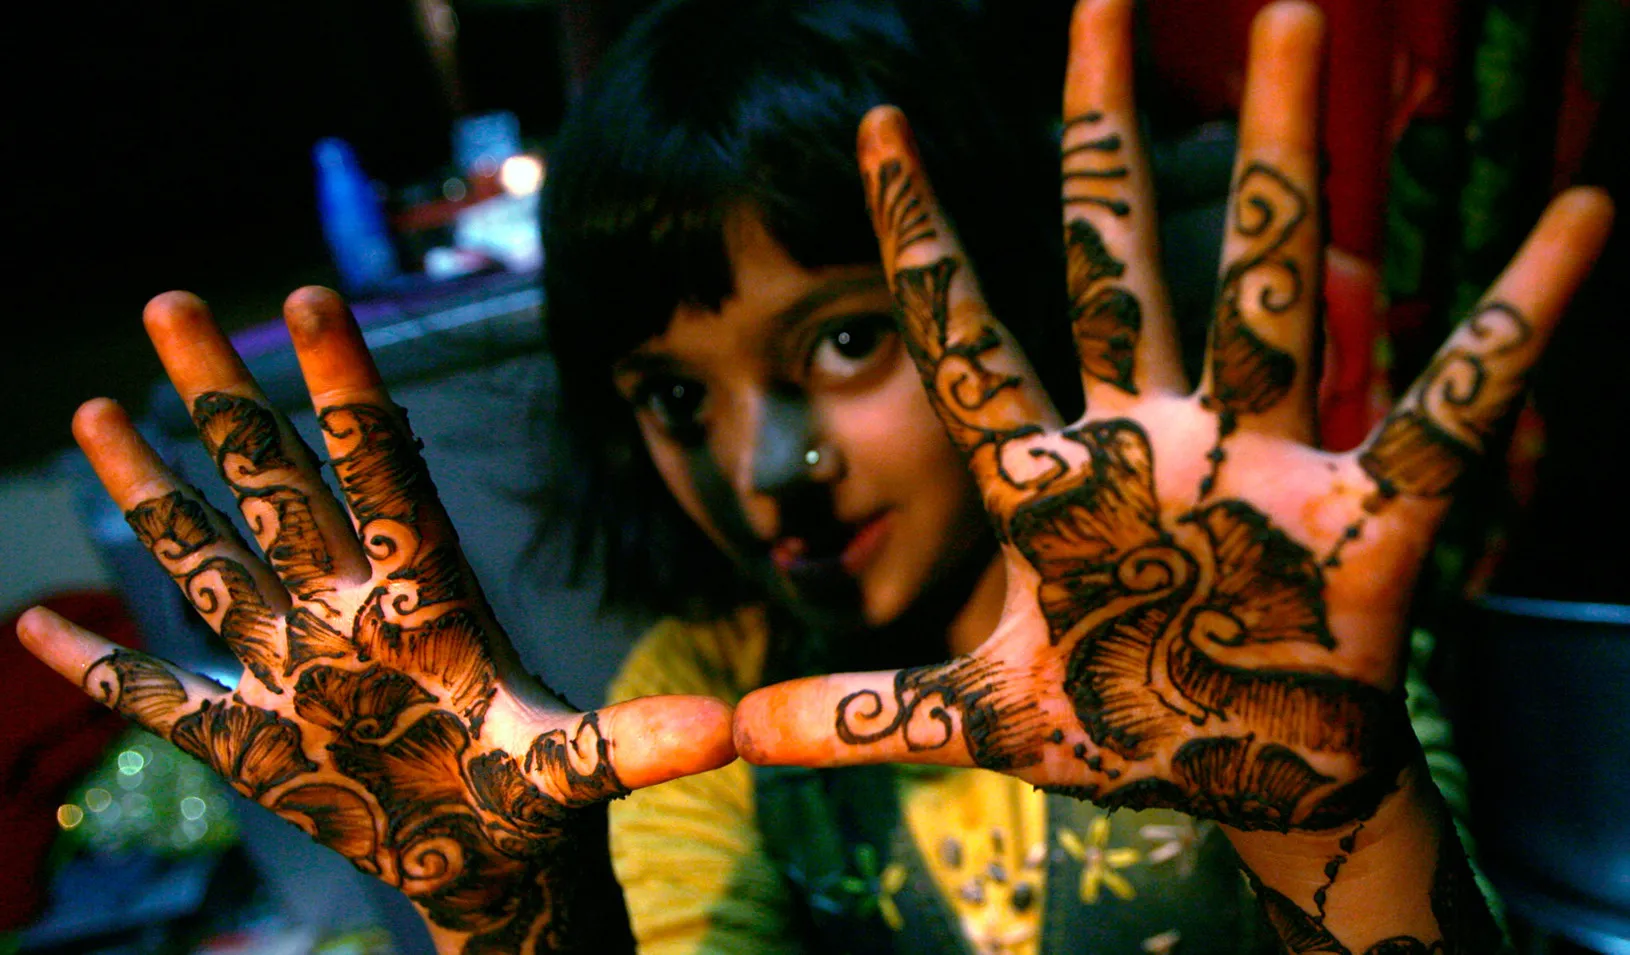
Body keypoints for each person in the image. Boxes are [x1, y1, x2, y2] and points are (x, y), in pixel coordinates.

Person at [12, 0, 1613, 954]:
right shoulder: (694, 697)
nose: (761, 464)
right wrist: (512, 917)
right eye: (667, 391)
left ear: (1009, 302)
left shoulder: (1242, 626)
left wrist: (1338, 824)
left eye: (846, 344)